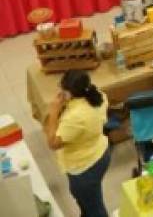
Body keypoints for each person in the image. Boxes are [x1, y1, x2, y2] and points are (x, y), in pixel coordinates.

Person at [44, 70, 111, 216]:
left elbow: (52, 143)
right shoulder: (98, 95)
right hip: (100, 152)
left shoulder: (75, 118)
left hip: (84, 167)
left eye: (62, 88)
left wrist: (54, 112)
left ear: (69, 93)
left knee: (94, 207)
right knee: (90, 198)